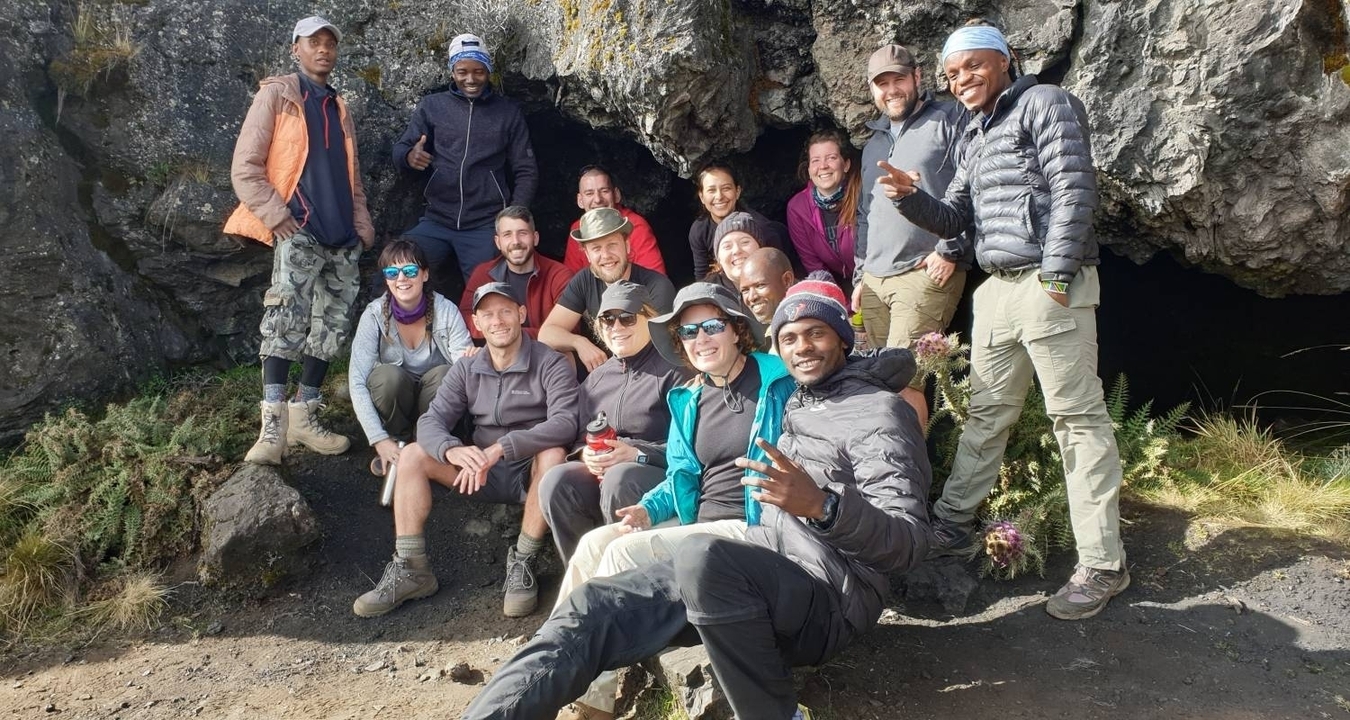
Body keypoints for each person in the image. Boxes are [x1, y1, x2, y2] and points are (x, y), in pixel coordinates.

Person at [459, 278, 932, 720]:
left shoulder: (875, 412)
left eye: (817, 333)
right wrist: (650, 508)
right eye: (789, 338)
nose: (802, 347)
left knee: (701, 555)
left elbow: (909, 545)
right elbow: (683, 472)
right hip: (763, 560)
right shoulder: (798, 400)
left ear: (843, 340)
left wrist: (822, 508)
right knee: (593, 604)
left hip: (828, 598)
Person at [879, 22, 1129, 620]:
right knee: (986, 414)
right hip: (996, 288)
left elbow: (1074, 188)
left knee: (1076, 420)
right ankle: (953, 523)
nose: (962, 79)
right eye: (952, 72)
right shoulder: (975, 132)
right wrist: (909, 198)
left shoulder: (1045, 102)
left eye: (973, 65)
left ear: (1005, 59)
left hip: (1047, 280)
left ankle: (1103, 563)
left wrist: (1057, 275)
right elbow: (954, 217)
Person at [544, 281, 797, 720]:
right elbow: (681, 475)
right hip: (699, 521)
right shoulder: (690, 397)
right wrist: (648, 509)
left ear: (737, 329)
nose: (701, 339)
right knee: (592, 546)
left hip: (755, 524)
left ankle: (592, 701)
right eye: (689, 331)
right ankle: (557, 672)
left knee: (622, 553)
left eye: (711, 326)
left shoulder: (777, 380)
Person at [352, 283, 578, 619]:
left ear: (521, 314)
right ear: (476, 323)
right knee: (412, 454)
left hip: (529, 471)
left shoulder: (550, 362)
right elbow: (431, 422)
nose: (497, 321)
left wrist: (502, 448)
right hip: (477, 471)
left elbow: (566, 423)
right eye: (488, 314)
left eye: (505, 311)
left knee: (554, 455)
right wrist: (452, 450)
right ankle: (411, 568)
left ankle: (524, 560)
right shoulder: (467, 368)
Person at [225, 16, 375, 465]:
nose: (323, 49)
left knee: (331, 328)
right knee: (283, 320)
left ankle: (304, 417)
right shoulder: (277, 95)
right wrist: (277, 216)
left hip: (342, 237)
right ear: (296, 49)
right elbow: (245, 167)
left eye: (330, 43)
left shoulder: (338, 106)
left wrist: (362, 227)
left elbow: (352, 177)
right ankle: (272, 429)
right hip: (301, 229)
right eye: (314, 42)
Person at [852, 43, 972, 428]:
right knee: (876, 384)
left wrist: (951, 249)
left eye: (899, 79)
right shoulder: (873, 143)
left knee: (905, 382)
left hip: (924, 272)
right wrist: (860, 275)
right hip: (875, 277)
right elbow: (865, 214)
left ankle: (909, 467)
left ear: (917, 77)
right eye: (882, 83)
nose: (891, 90)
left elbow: (976, 185)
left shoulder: (950, 118)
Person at [536, 282, 692, 562]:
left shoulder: (677, 369)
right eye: (607, 319)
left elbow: (693, 446)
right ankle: (584, 572)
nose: (616, 327)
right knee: (555, 481)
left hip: (659, 473)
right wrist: (585, 454)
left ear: (650, 318)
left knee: (619, 478)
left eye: (627, 317)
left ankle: (624, 572)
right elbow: (579, 438)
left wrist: (637, 453)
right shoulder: (596, 378)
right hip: (605, 474)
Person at [392, 34, 538, 284]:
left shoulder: (507, 112)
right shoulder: (432, 106)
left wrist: (513, 217)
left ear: (488, 71)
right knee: (397, 269)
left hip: (485, 224)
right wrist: (408, 156)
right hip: (436, 220)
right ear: (452, 72)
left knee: (490, 291)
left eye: (478, 71)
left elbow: (526, 169)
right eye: (462, 72)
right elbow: (400, 149)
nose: (470, 79)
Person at [349, 240, 473, 476]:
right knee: (387, 376)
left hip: (434, 402)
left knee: (447, 374)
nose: (401, 279)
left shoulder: (446, 310)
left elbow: (462, 365)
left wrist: (470, 361)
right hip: (396, 401)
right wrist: (378, 439)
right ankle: (395, 443)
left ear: (425, 274)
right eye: (392, 272)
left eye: (410, 271)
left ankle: (429, 443)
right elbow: (356, 381)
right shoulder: (374, 315)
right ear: (386, 279)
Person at [540, 208, 676, 372]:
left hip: (650, 371)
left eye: (612, 245)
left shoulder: (656, 285)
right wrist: (579, 343)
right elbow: (546, 334)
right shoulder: (584, 280)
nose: (605, 255)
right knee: (559, 356)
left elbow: (661, 348)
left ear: (627, 246)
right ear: (587, 255)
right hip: (602, 370)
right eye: (596, 248)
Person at [459, 206, 573, 341]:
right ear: (498, 242)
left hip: (546, 351)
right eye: (507, 234)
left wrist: (507, 333)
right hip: (497, 351)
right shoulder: (483, 273)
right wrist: (501, 333)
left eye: (522, 233)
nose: (516, 241)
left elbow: (569, 329)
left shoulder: (558, 275)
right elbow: (465, 319)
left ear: (535, 238)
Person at [687, 163, 791, 280]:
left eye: (726, 188)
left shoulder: (761, 228)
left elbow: (777, 274)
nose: (719, 196)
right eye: (711, 190)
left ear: (737, 192)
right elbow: (702, 275)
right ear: (702, 197)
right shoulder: (699, 230)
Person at [785, 129, 859, 294]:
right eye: (816, 160)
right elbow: (813, 264)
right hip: (834, 285)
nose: (823, 166)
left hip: (869, 278)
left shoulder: (862, 195)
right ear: (809, 169)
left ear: (846, 165)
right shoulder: (797, 208)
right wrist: (838, 300)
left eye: (831, 158)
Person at [562, 165, 667, 275]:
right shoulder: (578, 229)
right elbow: (570, 279)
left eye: (604, 191)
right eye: (589, 193)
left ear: (616, 195)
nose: (597, 199)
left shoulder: (635, 226)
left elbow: (656, 278)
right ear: (580, 201)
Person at [704, 211, 769, 298]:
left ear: (760, 248)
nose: (736, 250)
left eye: (745, 242)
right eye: (727, 246)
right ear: (718, 258)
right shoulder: (706, 296)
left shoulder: (779, 283)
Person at [738, 247, 796, 326]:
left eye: (760, 285)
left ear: (787, 280)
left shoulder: (808, 322)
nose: (751, 297)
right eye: (745, 290)